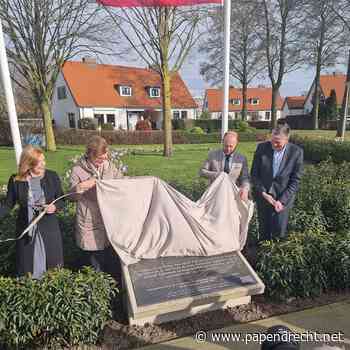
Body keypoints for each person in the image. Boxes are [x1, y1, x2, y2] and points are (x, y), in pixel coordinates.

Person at [0, 145, 64, 278]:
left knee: (52, 271)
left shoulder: (52, 176)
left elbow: (62, 200)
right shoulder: (16, 180)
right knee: (26, 270)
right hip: (26, 232)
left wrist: (54, 207)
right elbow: (7, 205)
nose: (43, 164)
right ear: (29, 164)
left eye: (43, 160)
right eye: (39, 162)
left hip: (49, 231)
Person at [69, 135, 123, 272]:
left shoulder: (109, 167)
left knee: (111, 258)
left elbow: (122, 184)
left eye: (105, 157)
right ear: (90, 155)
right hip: (90, 220)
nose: (103, 161)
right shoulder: (77, 170)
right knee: (95, 261)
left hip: (109, 218)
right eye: (99, 158)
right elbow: (72, 196)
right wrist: (81, 187)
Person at [251, 124, 303, 241]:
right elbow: (254, 175)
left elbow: (295, 181)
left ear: (287, 139)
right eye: (272, 141)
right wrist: (264, 193)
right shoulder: (262, 148)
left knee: (279, 230)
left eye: (278, 142)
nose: (274, 145)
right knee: (264, 229)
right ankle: (263, 255)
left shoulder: (296, 152)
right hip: (263, 196)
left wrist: (282, 200)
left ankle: (276, 254)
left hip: (283, 197)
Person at [199, 131, 250, 201]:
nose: (228, 149)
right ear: (222, 142)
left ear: (236, 144)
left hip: (233, 195)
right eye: (226, 145)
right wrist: (218, 175)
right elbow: (202, 172)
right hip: (215, 194)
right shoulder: (212, 155)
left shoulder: (241, 159)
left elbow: (245, 178)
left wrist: (245, 189)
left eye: (231, 146)